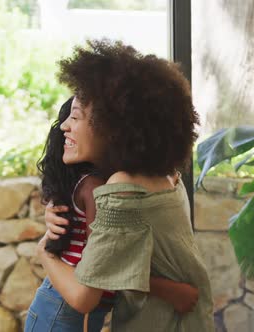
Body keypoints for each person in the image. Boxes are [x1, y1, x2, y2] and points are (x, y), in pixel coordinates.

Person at [36, 39, 215, 331]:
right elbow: (135, 261)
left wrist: (44, 251)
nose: (65, 126)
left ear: (112, 126)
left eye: (76, 116)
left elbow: (84, 296)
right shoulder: (168, 176)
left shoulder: (121, 188)